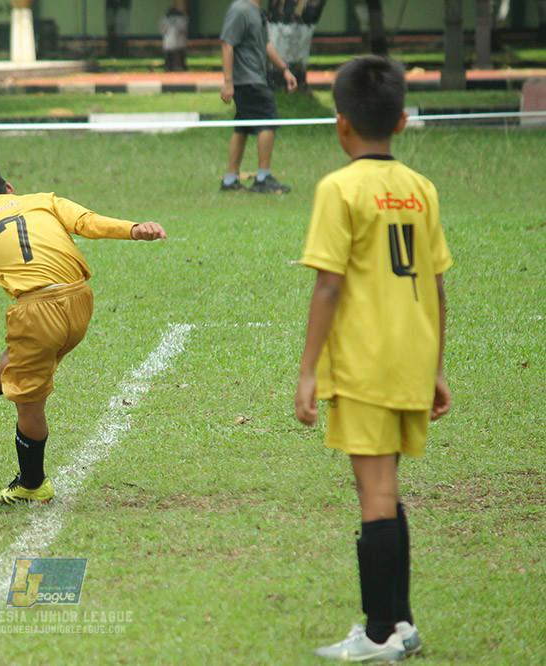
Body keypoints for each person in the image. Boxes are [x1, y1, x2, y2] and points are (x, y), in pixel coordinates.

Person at [295, 56, 452, 663]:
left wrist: (308, 370)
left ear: (341, 125)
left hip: (365, 363)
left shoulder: (339, 188)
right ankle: (403, 622)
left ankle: (380, 633)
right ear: (403, 121)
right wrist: (435, 366)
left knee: (375, 494)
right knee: (387, 490)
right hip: (412, 357)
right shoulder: (422, 190)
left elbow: (328, 285)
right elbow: (437, 286)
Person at [0, 153, 167, 505]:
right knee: (12, 367)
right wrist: (133, 229)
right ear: (8, 188)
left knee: (29, 405)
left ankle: (32, 484)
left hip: (37, 312)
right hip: (80, 301)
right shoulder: (43, 201)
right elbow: (87, 221)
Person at [219, 0, 298, 193]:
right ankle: (263, 178)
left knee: (242, 126)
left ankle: (230, 180)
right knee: (268, 122)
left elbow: (265, 44)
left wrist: (285, 69)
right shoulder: (240, 10)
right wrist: (228, 81)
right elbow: (227, 44)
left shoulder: (256, 11)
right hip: (247, 80)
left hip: (254, 78)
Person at [160, 1, 189, 72]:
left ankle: (168, 67)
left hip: (168, 43)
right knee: (180, 57)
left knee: (169, 57)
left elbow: (162, 30)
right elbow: (184, 29)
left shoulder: (165, 20)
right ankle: (180, 67)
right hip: (179, 43)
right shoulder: (181, 19)